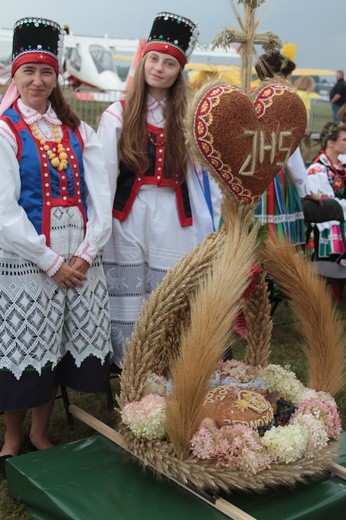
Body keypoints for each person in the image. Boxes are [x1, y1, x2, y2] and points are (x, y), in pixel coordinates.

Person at [0, 17, 113, 474]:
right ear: (15, 74)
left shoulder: (75, 130)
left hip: (78, 262)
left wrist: (84, 254)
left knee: (58, 344)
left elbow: (100, 199)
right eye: (28, 71)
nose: (38, 81)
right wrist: (50, 261)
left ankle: (40, 431)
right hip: (28, 261)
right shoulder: (6, 131)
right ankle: (11, 437)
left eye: (46, 72)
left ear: (57, 77)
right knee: (24, 346)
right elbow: (4, 212)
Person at [97, 12, 221, 369]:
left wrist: (214, 222)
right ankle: (132, 368)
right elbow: (103, 175)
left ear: (178, 71)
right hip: (128, 216)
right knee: (132, 298)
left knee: (170, 292)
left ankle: (171, 365)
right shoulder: (118, 114)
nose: (159, 68)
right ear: (144, 60)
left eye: (169, 63)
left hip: (174, 215)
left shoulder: (189, 117)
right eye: (154, 59)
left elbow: (204, 175)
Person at [253, 50, 317, 246]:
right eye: (289, 77)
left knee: (251, 238)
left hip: (250, 178)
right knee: (278, 241)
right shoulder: (284, 105)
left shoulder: (251, 99)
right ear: (277, 77)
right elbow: (292, 155)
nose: (290, 82)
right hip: (276, 181)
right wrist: (306, 189)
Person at [303, 121, 346, 258]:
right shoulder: (317, 170)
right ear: (331, 143)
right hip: (331, 226)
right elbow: (327, 205)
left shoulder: (342, 167)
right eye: (344, 140)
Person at [294, 75, 316, 163]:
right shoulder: (306, 95)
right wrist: (306, 126)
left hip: (293, 124)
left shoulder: (295, 92)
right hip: (301, 125)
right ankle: (302, 164)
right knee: (307, 146)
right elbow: (306, 112)